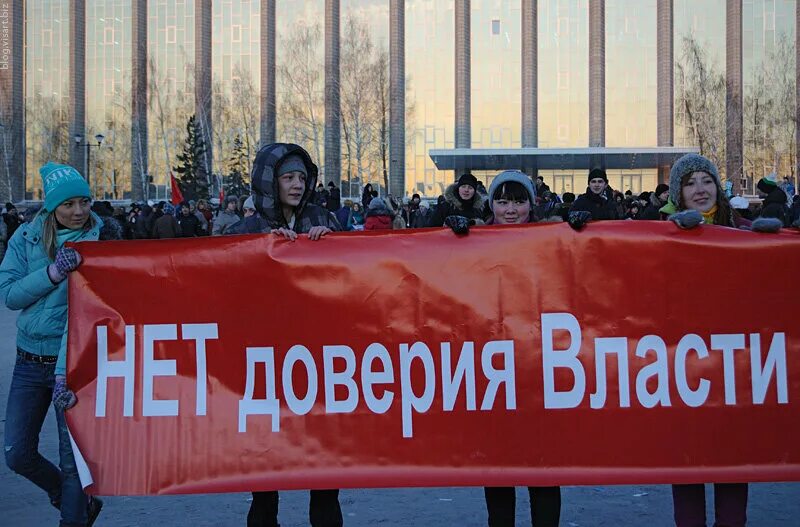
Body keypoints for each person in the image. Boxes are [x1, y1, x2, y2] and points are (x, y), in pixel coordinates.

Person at [0, 162, 116, 527]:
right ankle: (70, 501)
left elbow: (84, 318)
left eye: (85, 202)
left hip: (77, 366)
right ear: (52, 208)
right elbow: (9, 294)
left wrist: (67, 373)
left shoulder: (102, 244)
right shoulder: (26, 238)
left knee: (74, 464)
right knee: (17, 453)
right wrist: (53, 273)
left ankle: (74, 515)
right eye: (69, 205)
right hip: (29, 364)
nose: (80, 211)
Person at [444, 170, 562, 526]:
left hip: (539, 366)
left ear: (531, 204)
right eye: (503, 201)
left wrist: (578, 230)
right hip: (493, 367)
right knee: (498, 470)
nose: (511, 210)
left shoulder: (550, 238)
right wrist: (449, 239)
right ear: (491, 203)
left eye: (519, 201)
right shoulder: (474, 238)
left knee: (544, 468)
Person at [248, 142, 342, 527]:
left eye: (302, 177)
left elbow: (350, 277)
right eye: (288, 177)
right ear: (271, 182)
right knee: (265, 483)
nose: (297, 185)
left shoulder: (324, 220)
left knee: (324, 481)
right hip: (266, 372)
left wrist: (331, 244)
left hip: (318, 369)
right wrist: (264, 249)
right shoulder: (247, 229)